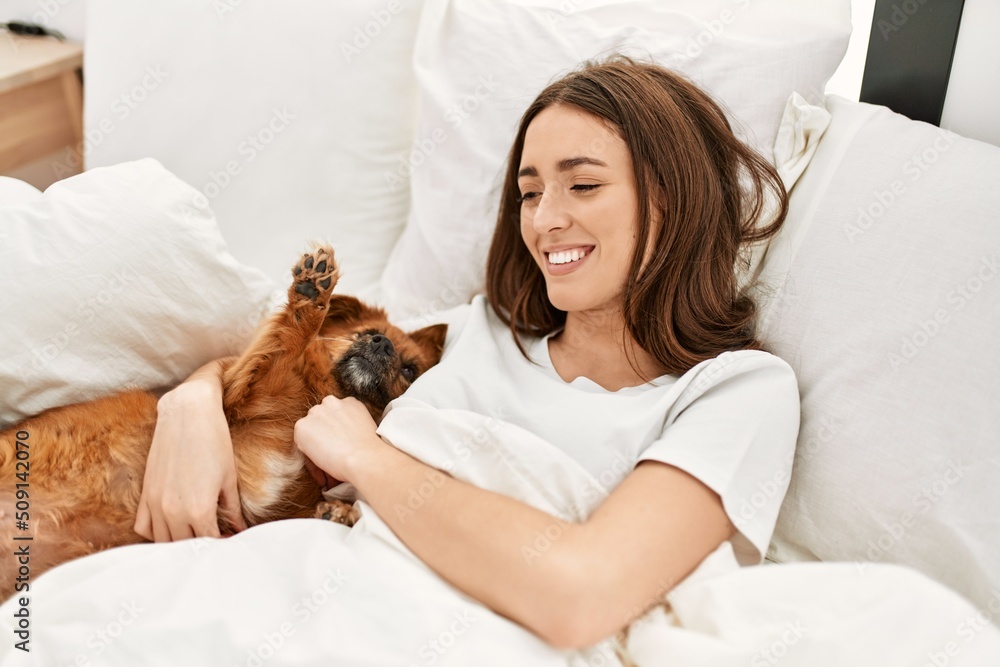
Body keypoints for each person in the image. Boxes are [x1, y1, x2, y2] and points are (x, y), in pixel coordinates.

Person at [134, 56, 799, 650]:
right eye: (530, 192)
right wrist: (193, 398)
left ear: (672, 200)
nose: (542, 220)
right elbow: (300, 366)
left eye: (583, 185)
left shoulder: (738, 392)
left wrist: (367, 458)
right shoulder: (474, 332)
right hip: (294, 587)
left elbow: (580, 593)